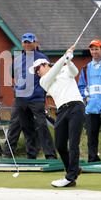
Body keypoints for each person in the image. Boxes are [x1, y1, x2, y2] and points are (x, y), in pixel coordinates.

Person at [30, 47, 85, 187]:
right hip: (61, 110)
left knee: (73, 143)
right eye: (36, 71)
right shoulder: (44, 81)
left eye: (38, 68)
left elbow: (75, 72)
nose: (38, 72)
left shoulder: (65, 68)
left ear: (46, 64)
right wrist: (64, 57)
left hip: (76, 106)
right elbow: (52, 73)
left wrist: (69, 61)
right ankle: (74, 168)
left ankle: (70, 177)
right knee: (60, 144)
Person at [11, 32, 57, 159]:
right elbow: (15, 76)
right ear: (22, 44)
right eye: (25, 42)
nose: (27, 44)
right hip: (21, 98)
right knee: (26, 127)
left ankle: (50, 155)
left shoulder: (42, 58)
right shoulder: (18, 59)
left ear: (35, 43)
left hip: (37, 98)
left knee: (42, 126)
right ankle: (31, 155)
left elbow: (48, 76)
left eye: (29, 42)